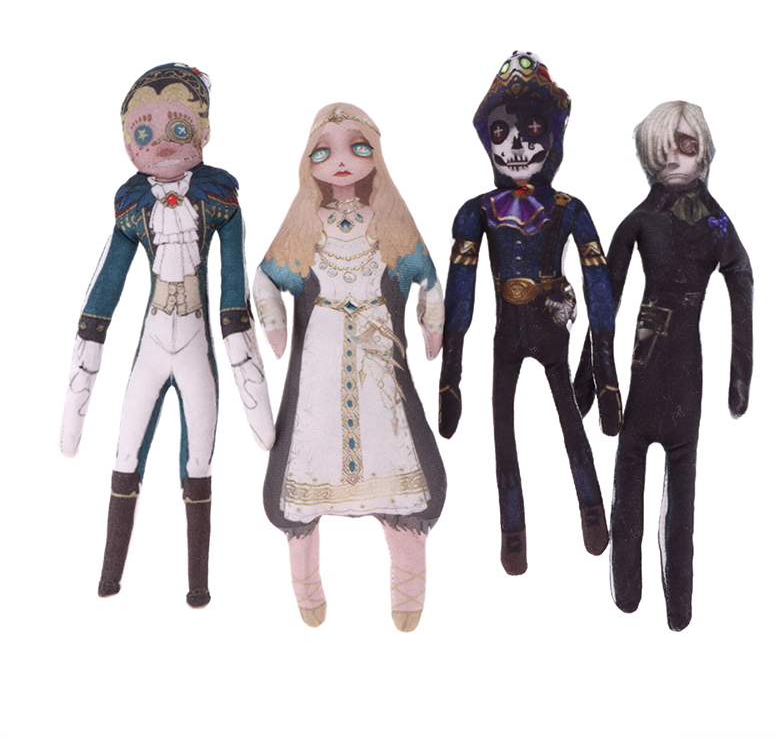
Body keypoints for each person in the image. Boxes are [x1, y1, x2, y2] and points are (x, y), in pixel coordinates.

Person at [60, 63, 274, 608]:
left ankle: (198, 583)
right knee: (126, 451)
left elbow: (233, 290)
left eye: (179, 128)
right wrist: (85, 362)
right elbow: (104, 289)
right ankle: (110, 573)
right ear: (126, 143)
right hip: (154, 347)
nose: (160, 143)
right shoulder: (131, 207)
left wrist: (243, 358)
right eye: (143, 131)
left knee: (198, 462)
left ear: (204, 130)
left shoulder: (219, 199)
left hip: (198, 346)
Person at [254, 103, 446, 632]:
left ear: (375, 155)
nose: (341, 161)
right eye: (324, 151)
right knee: (307, 451)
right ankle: (306, 585)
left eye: (357, 147)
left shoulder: (390, 221)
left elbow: (428, 278)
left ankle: (408, 588)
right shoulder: (303, 225)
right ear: (308, 161)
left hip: (378, 356)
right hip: (318, 354)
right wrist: (274, 322)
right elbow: (265, 277)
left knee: (399, 450)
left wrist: (433, 324)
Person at [439, 52, 621, 575]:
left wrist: (605, 372)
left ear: (555, 135)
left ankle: (589, 510)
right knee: (504, 433)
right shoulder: (478, 211)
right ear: (486, 139)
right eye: (502, 131)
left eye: (532, 129)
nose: (516, 146)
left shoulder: (567, 208)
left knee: (566, 426)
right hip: (510, 336)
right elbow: (460, 293)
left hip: (547, 333)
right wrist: (450, 376)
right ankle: (513, 530)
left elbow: (598, 288)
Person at [574, 100, 753, 630]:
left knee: (682, 492)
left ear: (705, 151)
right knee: (628, 478)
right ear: (648, 155)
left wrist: (740, 376)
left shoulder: (716, 224)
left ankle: (679, 607)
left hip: (683, 373)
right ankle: (627, 590)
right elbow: (604, 300)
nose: (675, 157)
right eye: (663, 149)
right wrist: (590, 379)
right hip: (645, 369)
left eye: (687, 145)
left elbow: (742, 278)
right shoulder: (640, 221)